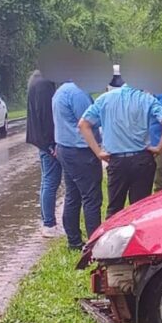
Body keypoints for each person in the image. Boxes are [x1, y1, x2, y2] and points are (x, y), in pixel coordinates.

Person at [78, 82, 162, 217]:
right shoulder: (147, 99)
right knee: (140, 210)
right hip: (142, 160)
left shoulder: (105, 98)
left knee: (114, 209)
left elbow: (83, 124)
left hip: (117, 162)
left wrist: (98, 152)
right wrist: (159, 147)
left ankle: (111, 236)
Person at [53, 80, 103, 250]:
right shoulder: (78, 93)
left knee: (72, 195)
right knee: (91, 197)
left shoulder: (62, 90)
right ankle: (95, 243)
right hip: (81, 151)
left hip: (65, 148)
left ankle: (73, 240)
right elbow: (90, 121)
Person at [25, 70, 62, 238]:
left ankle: (46, 220)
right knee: (50, 181)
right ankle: (48, 224)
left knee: (46, 181)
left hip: (41, 140)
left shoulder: (36, 79)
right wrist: (51, 145)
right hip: (47, 141)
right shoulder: (44, 84)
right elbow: (46, 115)